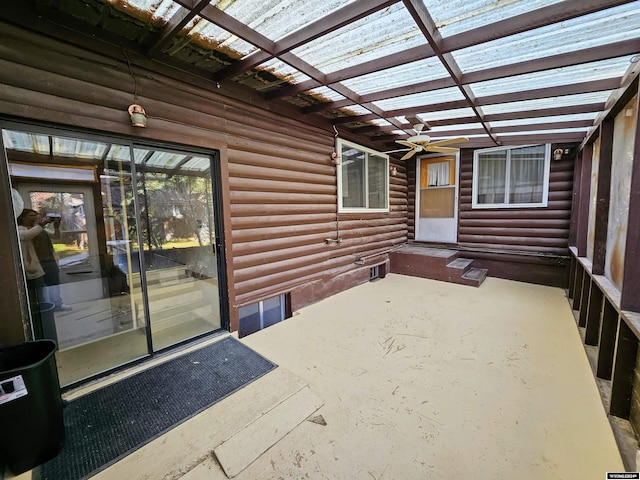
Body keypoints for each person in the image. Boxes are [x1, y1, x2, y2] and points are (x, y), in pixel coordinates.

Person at [32, 213, 72, 312]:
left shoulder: (42, 230)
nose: (36, 217)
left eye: (37, 216)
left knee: (54, 284)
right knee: (41, 287)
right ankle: (45, 307)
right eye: (31, 215)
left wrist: (57, 227)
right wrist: (42, 224)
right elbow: (29, 235)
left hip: (50, 261)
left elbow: (56, 236)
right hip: (37, 263)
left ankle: (57, 304)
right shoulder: (25, 231)